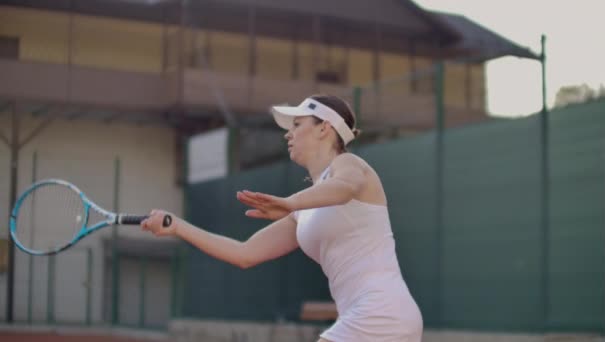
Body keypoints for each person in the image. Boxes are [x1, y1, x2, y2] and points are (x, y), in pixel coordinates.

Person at [141, 94, 423, 342]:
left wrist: (290, 203)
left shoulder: (348, 164)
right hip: (379, 315)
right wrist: (177, 226)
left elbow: (344, 188)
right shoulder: (306, 209)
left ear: (324, 128)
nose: (288, 134)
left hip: (380, 310)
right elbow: (244, 253)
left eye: (297, 125)